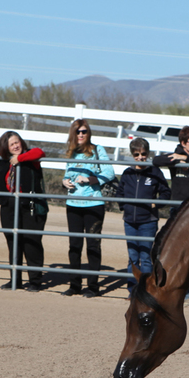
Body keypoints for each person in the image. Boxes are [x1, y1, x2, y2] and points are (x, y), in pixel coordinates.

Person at [0, 131, 47, 292]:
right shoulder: (3, 159)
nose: (16, 146)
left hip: (30, 206)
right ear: (6, 148)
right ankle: (15, 279)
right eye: (11, 144)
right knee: (13, 242)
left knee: (32, 242)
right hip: (9, 205)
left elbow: (40, 152)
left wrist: (19, 159)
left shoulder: (30, 156)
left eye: (17, 142)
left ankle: (35, 281)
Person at [152, 126, 189, 305]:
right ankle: (169, 288)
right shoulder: (174, 156)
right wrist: (176, 159)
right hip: (178, 209)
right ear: (183, 143)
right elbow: (155, 160)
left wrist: (185, 158)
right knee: (173, 247)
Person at [61, 119, 115, 298]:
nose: (81, 134)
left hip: (94, 205)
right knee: (74, 245)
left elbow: (109, 173)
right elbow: (68, 174)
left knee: (93, 246)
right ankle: (74, 285)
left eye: (84, 131)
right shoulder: (71, 153)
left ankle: (93, 286)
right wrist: (64, 182)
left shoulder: (97, 150)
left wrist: (90, 180)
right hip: (73, 205)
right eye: (77, 132)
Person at [115, 138, 170, 287]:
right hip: (129, 221)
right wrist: (124, 207)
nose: (140, 157)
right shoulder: (127, 173)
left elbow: (166, 192)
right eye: (137, 154)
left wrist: (156, 204)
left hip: (148, 221)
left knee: (146, 257)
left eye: (143, 154)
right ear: (132, 155)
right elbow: (119, 192)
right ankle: (133, 290)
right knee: (133, 257)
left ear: (148, 153)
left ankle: (145, 289)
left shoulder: (155, 172)